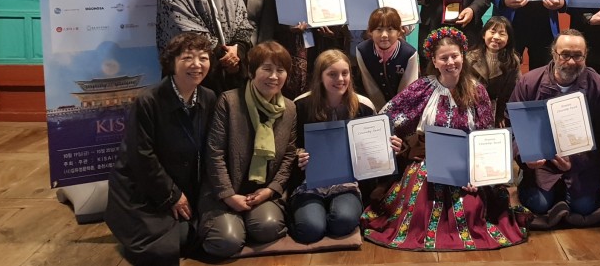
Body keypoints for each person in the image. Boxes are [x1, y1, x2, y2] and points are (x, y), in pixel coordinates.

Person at [362, 27, 529, 250]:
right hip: (427, 162)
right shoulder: (422, 88)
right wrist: (395, 142)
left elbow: (486, 136)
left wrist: (476, 175)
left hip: (467, 167)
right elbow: (388, 116)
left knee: (471, 210)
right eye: (444, 58)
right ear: (434, 60)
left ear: (463, 55)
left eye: (455, 56)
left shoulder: (477, 91)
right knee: (421, 208)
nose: (450, 62)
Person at [106, 33, 217, 266]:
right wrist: (172, 195)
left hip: (187, 185)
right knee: (168, 247)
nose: (197, 65)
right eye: (188, 57)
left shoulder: (208, 97)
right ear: (172, 62)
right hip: (145, 189)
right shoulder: (149, 101)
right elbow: (141, 156)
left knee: (210, 236)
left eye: (203, 58)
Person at [198, 41, 298, 258]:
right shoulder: (229, 101)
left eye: (280, 70)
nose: (274, 76)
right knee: (226, 242)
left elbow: (290, 155)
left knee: (268, 228)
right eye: (267, 69)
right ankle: (232, 223)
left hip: (262, 193)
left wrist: (271, 190)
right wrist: (228, 196)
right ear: (252, 72)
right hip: (224, 193)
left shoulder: (289, 108)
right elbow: (214, 153)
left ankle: (248, 222)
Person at [510, 29, 600, 227]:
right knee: (539, 204)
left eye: (578, 55)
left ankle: (564, 200)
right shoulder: (529, 82)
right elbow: (513, 127)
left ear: (586, 56)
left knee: (583, 206)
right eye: (565, 54)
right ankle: (552, 198)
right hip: (541, 166)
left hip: (580, 165)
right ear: (553, 54)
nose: (571, 61)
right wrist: (525, 156)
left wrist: (574, 163)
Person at [289, 50, 396, 244]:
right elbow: (289, 146)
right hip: (309, 184)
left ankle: (330, 213)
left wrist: (388, 148)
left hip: (348, 185)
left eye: (345, 73)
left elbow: (375, 151)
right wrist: (298, 155)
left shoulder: (363, 105)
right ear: (320, 76)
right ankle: (314, 215)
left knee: (342, 222)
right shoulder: (301, 105)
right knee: (311, 229)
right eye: (332, 74)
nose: (340, 79)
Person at [355, 7, 420, 111]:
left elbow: (408, 90)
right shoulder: (362, 50)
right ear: (370, 32)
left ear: (399, 32)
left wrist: (394, 112)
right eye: (379, 29)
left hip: (403, 108)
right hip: (374, 108)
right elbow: (369, 84)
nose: (384, 35)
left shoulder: (409, 54)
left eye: (390, 29)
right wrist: (380, 113)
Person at [465, 16, 521, 127]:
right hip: (471, 107)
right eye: (492, 31)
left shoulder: (513, 61)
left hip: (496, 109)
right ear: (483, 34)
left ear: (508, 38)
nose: (496, 37)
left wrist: (500, 114)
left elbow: (509, 92)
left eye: (502, 34)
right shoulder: (469, 58)